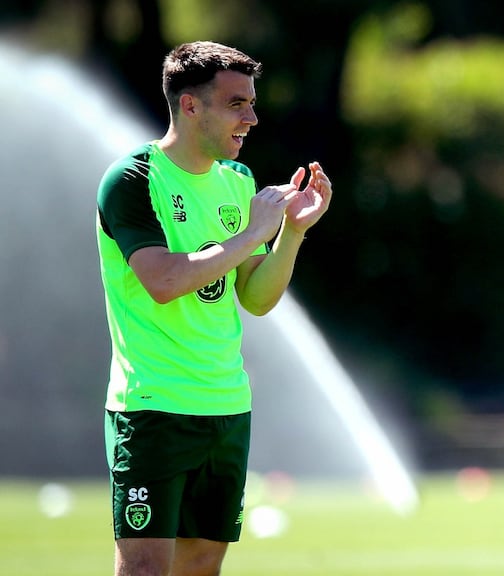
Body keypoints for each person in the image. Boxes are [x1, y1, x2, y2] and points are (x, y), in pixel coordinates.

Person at [96, 41, 332, 575]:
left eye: (251, 103)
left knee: (203, 565)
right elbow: (163, 280)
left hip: (226, 408)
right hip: (153, 408)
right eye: (236, 104)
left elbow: (255, 298)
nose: (251, 118)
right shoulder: (133, 179)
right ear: (190, 105)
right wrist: (252, 233)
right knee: (145, 569)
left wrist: (292, 234)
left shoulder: (238, 181)